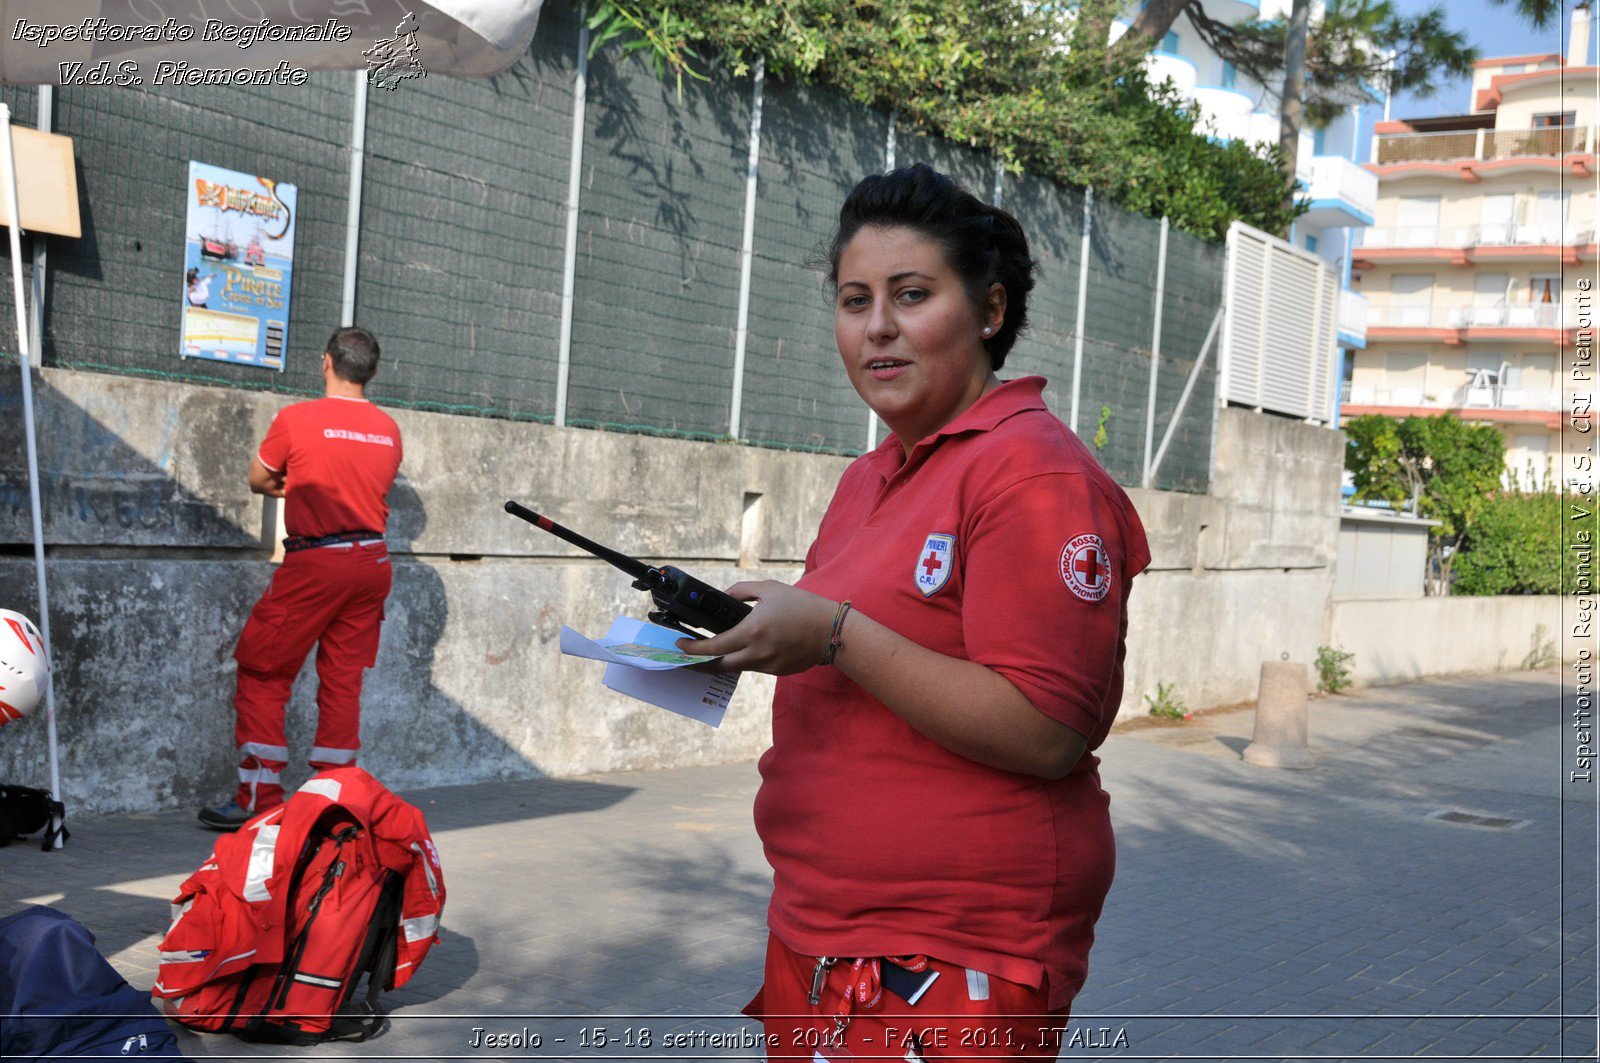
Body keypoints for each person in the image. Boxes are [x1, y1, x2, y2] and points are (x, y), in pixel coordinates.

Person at [679, 164, 1151, 1061]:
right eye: (855, 300)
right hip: (820, 928)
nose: (878, 326)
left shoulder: (1032, 474)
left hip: (950, 953)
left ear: (991, 309)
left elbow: (1049, 725)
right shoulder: (870, 475)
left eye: (912, 294)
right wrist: (751, 640)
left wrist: (833, 633)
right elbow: (857, 651)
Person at [199, 327, 403, 831]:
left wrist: (300, 486)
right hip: (373, 561)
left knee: (263, 670)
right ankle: (333, 804)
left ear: (325, 362)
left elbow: (259, 478)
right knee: (342, 681)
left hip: (317, 561)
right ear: (372, 372)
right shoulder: (388, 429)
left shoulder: (297, 419)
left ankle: (258, 797)